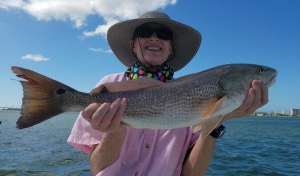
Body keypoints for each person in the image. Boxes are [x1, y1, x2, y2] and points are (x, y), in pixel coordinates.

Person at [67, 11, 269, 176]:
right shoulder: (109, 85)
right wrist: (114, 133)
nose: (154, 37)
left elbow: (191, 174)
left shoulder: (198, 90)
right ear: (133, 44)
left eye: (164, 35)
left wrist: (220, 117)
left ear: (170, 47)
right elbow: (97, 170)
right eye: (145, 32)